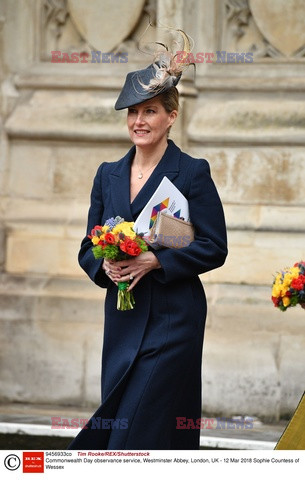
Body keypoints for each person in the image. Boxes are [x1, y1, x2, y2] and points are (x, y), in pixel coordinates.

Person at [67, 38, 227, 450]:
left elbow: (213, 245)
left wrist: (156, 260)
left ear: (171, 116)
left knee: (132, 431)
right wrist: (102, 263)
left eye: (150, 111)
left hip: (174, 321)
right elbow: (88, 244)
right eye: (134, 112)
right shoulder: (107, 174)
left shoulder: (191, 172)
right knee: (131, 422)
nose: (139, 121)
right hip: (123, 321)